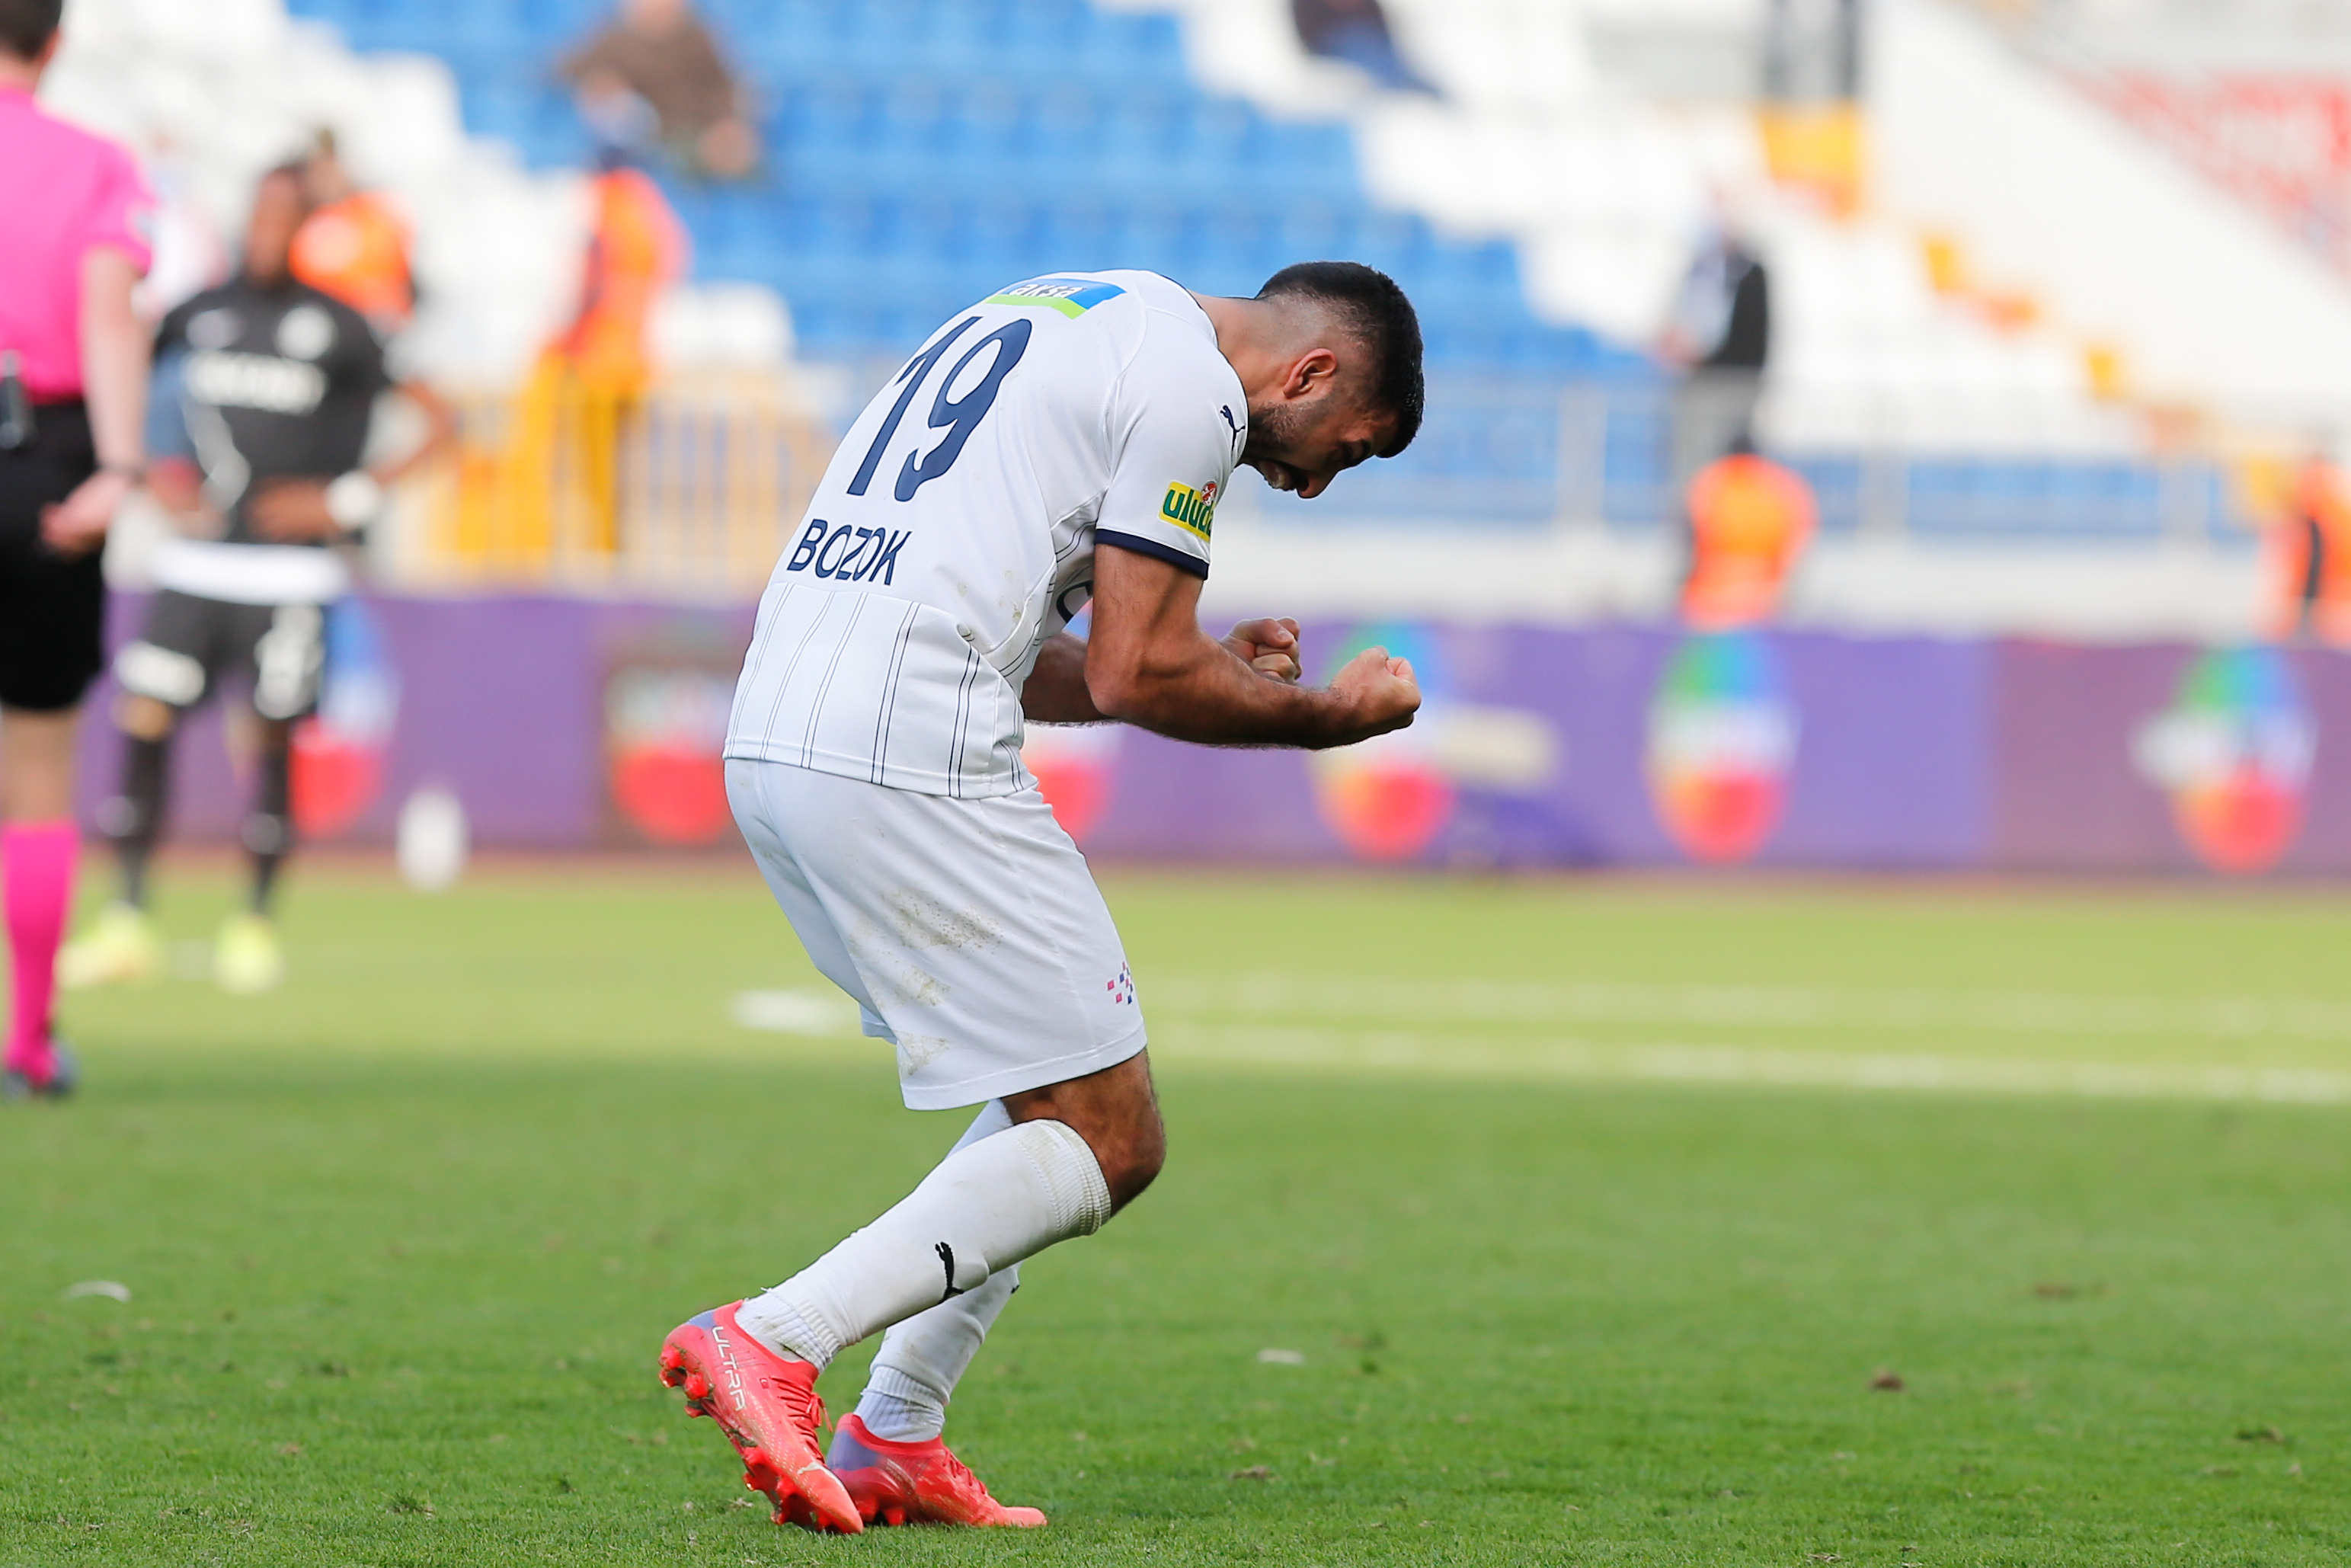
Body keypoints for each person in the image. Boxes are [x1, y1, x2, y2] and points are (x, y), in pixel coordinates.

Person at [659, 262, 1426, 1531]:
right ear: (1310, 372)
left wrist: (1202, 662)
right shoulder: (1191, 391)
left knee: (1047, 1081)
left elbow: (1050, 653)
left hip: (778, 734)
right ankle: (776, 1335)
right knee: (1114, 1137)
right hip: (903, 745)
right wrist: (1321, 716)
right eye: (1338, 451)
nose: (1308, 485)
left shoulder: (1064, 312)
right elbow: (1134, 673)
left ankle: (896, 1431)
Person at [59, 165, 452, 996]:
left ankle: (254, 925)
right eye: (261, 215)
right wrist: (146, 471)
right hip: (194, 565)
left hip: (287, 574)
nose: (268, 232)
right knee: (145, 718)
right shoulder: (197, 313)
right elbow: (118, 370)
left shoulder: (342, 325)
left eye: (285, 218)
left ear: (304, 228)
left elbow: (441, 421)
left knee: (268, 739)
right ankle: (127, 918)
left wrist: (341, 500)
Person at [0, 0, 152, 1101]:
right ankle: (32, 1039)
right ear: (53, 42)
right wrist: (119, 466)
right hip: (45, 458)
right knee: (38, 770)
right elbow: (110, 312)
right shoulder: (97, 163)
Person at [560, 0, 758, 181]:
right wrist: (599, 79)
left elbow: (723, 85)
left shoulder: (698, 35)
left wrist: (727, 123)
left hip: (701, 130)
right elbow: (565, 70)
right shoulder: (613, 40)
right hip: (652, 140)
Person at [1660, 216, 1770, 503]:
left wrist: (1703, 359)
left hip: (1732, 383)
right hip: (1702, 382)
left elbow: (1751, 336)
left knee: (1725, 459)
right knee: (1695, 458)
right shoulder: (1699, 272)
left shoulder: (1749, 274)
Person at [1679, 436, 1815, 629]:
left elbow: (1691, 536)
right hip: (1765, 595)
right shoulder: (1781, 485)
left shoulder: (1711, 481)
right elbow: (1797, 539)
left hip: (1710, 595)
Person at [289, 128, 415, 337]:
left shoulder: (376, 217)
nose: (322, 177)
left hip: (370, 332)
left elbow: (394, 289)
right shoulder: (298, 222)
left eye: (327, 166)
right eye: (314, 169)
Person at [1291, 0, 1437, 94]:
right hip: (1340, 49)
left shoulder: (1369, 10)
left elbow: (1383, 29)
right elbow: (1310, 36)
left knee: (1412, 73)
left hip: (1381, 50)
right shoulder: (1312, 10)